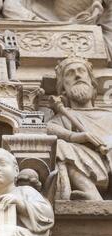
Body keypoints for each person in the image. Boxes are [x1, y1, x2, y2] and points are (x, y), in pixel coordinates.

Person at [47, 56, 112, 200]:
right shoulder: (65, 116)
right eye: (70, 73)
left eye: (81, 71)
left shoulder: (109, 115)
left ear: (92, 84)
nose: (77, 75)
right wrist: (77, 137)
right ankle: (92, 194)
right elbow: (49, 129)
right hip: (90, 161)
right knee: (60, 146)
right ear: (63, 89)